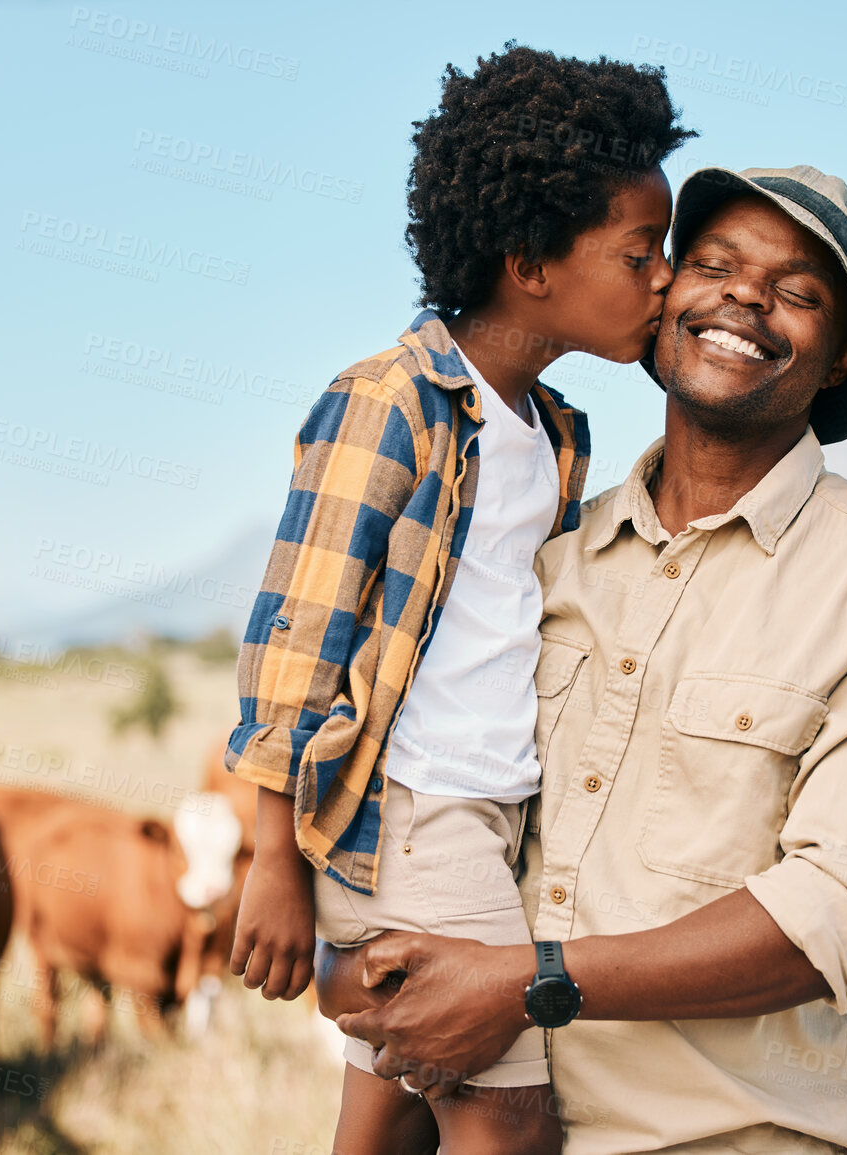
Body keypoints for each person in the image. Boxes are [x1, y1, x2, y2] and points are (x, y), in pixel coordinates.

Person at [327, 165, 847, 1154]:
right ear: (665, 295)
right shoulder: (536, 557)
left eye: (798, 291)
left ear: (841, 357)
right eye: (714, 264)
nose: (745, 298)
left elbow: (843, 915)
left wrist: (529, 983)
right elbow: (417, 800)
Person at [221, 45, 694, 1154]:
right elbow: (294, 633)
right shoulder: (392, 404)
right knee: (513, 1121)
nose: (666, 279)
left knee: (386, 1121)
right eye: (640, 253)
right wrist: (273, 861)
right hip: (415, 816)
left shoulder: (558, 433)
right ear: (530, 263)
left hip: (496, 815)